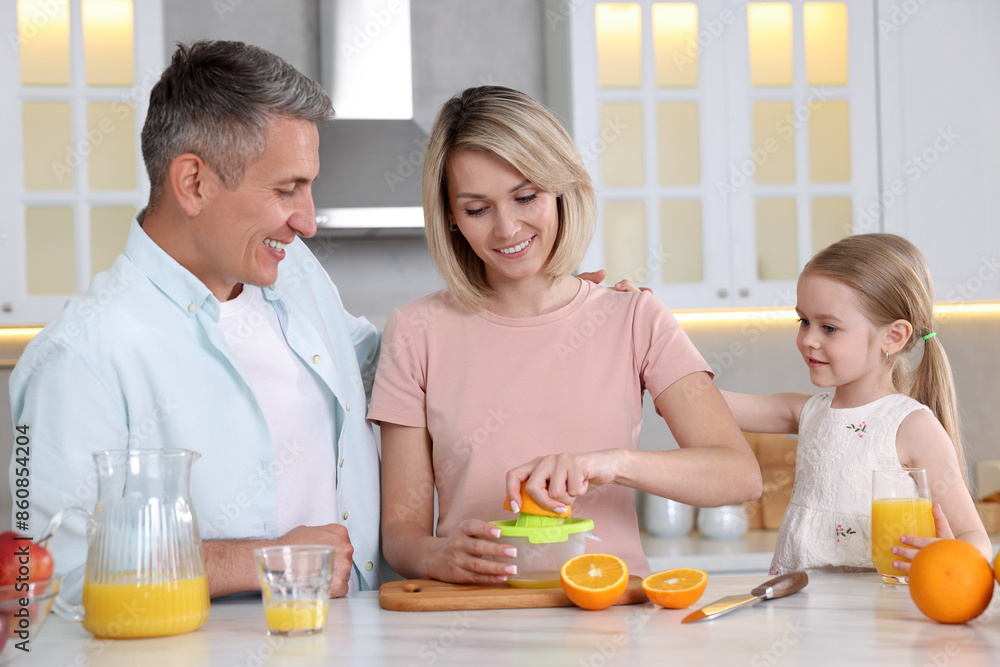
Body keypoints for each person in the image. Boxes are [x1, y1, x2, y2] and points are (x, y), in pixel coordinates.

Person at [9, 41, 380, 597]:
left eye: (309, 186)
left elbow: (385, 369)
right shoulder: (80, 358)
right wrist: (265, 560)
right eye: (286, 190)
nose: (306, 222)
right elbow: (45, 581)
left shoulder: (292, 271)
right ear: (194, 184)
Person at [368, 86, 762, 585]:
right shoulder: (415, 332)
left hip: (608, 618)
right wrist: (434, 556)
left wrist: (611, 463)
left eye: (526, 196)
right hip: (472, 624)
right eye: (476, 209)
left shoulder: (635, 317)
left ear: (559, 187)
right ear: (449, 216)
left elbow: (738, 475)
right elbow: (402, 532)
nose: (507, 228)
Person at [722, 233, 991, 576]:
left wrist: (947, 553)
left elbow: (976, 540)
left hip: (877, 613)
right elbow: (700, 401)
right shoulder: (806, 412)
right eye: (803, 321)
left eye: (829, 328)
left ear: (892, 337)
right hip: (801, 609)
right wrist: (648, 330)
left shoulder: (912, 426)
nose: (808, 339)